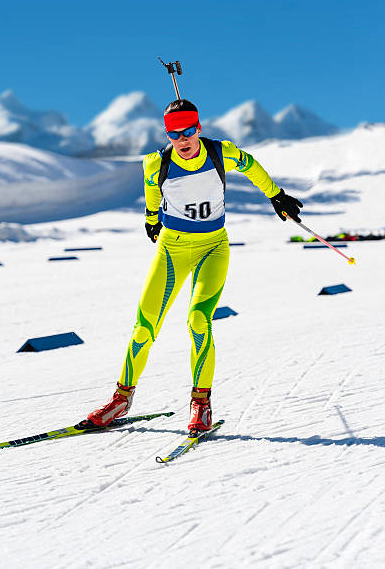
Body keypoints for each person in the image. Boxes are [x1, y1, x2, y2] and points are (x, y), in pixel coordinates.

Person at [83, 99, 303, 432]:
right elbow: (152, 192)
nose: (182, 140)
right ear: (167, 134)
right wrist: (152, 218)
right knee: (144, 327)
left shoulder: (221, 152)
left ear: (198, 128)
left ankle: (201, 403)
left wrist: (276, 195)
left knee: (199, 321)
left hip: (213, 247)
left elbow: (251, 165)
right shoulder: (155, 162)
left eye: (188, 131)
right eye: (174, 134)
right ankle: (121, 400)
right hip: (172, 250)